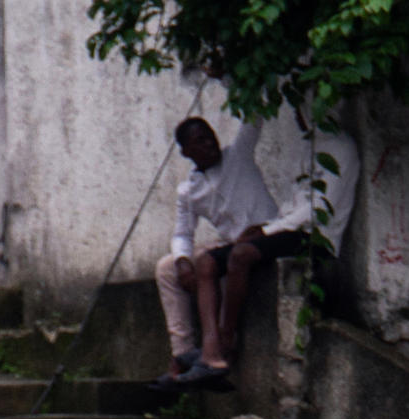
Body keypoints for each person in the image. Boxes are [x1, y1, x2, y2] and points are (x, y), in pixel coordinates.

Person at [153, 108, 359, 391]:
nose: (210, 145)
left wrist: (224, 76)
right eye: (200, 142)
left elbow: (254, 114)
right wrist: (181, 261)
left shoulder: (238, 155)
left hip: (270, 230)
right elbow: (182, 233)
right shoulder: (188, 190)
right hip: (237, 239)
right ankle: (183, 354)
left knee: (224, 259)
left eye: (210, 137)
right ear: (186, 151)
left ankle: (220, 347)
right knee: (168, 266)